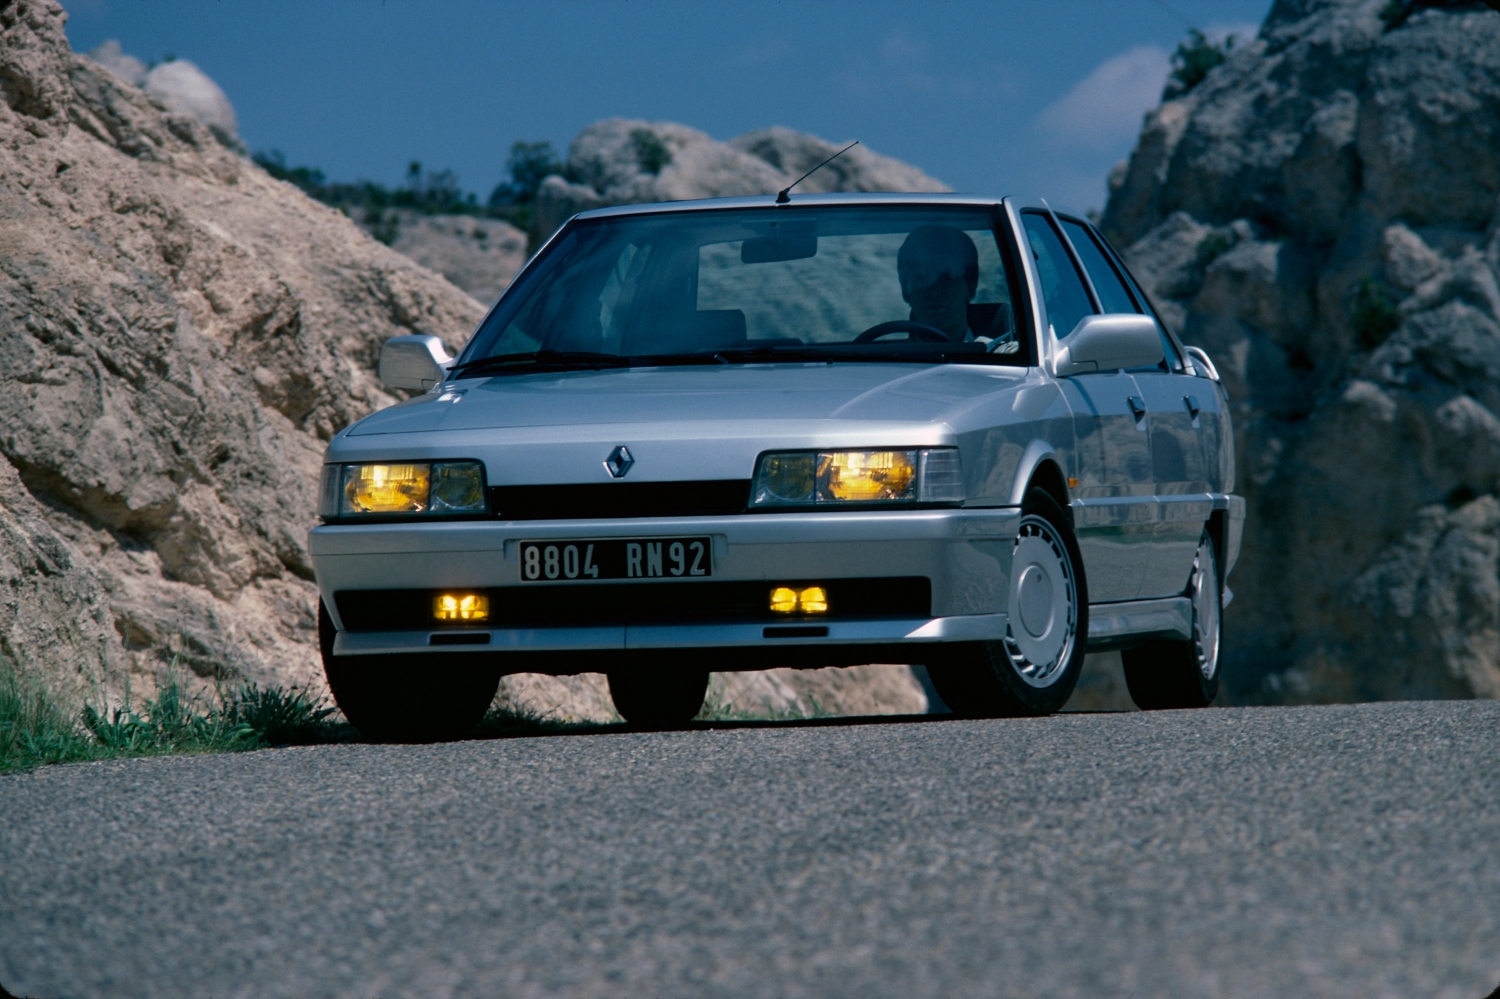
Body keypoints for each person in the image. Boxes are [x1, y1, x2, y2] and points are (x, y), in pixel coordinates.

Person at [896, 224, 979, 341]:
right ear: (905, 291)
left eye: (946, 278)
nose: (934, 292)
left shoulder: (1000, 356)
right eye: (921, 278)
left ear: (970, 287)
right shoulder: (885, 358)